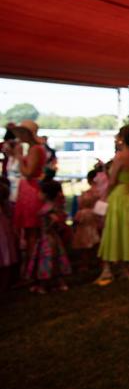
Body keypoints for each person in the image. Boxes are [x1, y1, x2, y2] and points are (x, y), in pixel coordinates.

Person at [95, 125, 129, 285]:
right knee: (126, 232)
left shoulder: (120, 156)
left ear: (121, 138)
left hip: (117, 196)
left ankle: (107, 269)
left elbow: (112, 180)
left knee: (112, 231)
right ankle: (124, 268)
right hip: (127, 197)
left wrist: (105, 195)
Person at [11, 120, 47, 277]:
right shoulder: (35, 148)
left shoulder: (34, 149)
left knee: (31, 231)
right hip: (29, 190)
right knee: (30, 231)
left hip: (31, 191)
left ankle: (31, 269)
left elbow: (28, 172)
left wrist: (18, 158)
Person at [24, 180, 71, 294]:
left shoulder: (48, 208)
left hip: (47, 238)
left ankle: (43, 286)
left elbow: (55, 219)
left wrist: (49, 228)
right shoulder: (54, 206)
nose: (38, 194)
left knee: (46, 261)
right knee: (55, 261)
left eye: (40, 192)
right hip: (52, 237)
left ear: (46, 194)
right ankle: (60, 284)